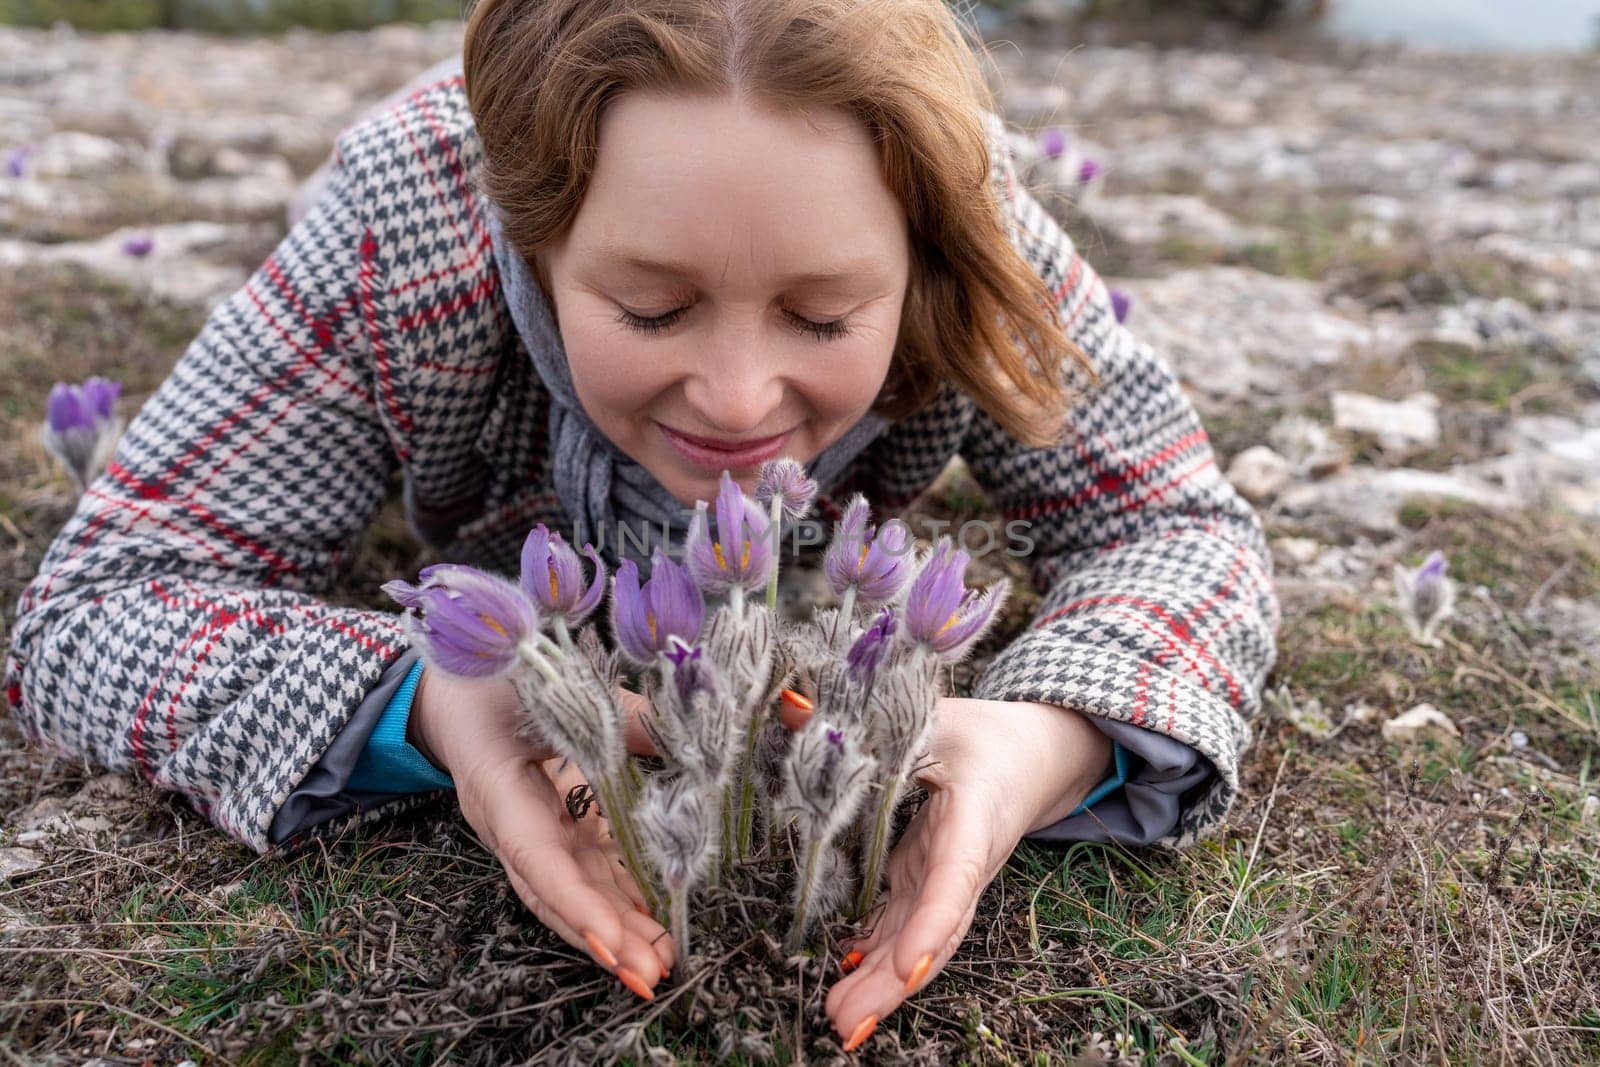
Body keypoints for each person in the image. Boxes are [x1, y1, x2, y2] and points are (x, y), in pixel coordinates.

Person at [3, 0, 1279, 1049]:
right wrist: (430, 702)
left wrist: (1040, 740)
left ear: (916, 253)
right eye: (653, 311)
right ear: (534, 241)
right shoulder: (417, 213)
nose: (736, 400)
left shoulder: (967, 216)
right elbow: (100, 599)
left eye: (824, 318)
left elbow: (1173, 520)